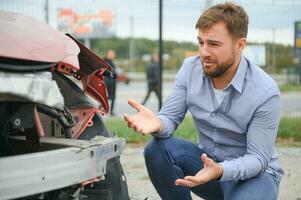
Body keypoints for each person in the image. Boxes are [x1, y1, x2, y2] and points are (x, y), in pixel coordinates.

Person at [123, 2, 283, 200]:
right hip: (206, 168)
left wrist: (220, 170)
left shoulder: (265, 91)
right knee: (156, 149)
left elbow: (258, 159)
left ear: (240, 45)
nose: (204, 52)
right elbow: (169, 117)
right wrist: (158, 122)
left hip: (253, 177)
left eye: (214, 44)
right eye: (201, 42)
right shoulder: (190, 70)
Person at [104, 50, 118, 116]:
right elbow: (106, 72)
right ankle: (100, 109)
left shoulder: (111, 62)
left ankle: (111, 111)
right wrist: (113, 74)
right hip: (109, 81)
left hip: (111, 81)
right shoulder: (106, 62)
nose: (114, 55)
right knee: (108, 97)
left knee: (112, 97)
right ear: (108, 54)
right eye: (112, 54)